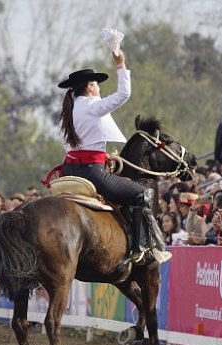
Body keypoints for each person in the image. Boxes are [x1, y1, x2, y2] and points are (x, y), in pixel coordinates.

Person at [57, 49, 169, 267]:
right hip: (92, 172)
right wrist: (121, 64)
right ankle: (141, 248)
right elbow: (123, 94)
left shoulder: (66, 113)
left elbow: (75, 147)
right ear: (89, 86)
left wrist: (102, 155)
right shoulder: (92, 106)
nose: (99, 88)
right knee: (143, 194)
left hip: (69, 171)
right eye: (96, 84)